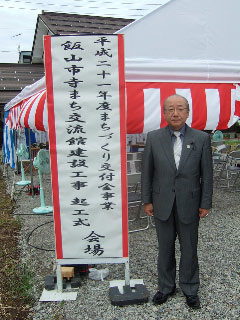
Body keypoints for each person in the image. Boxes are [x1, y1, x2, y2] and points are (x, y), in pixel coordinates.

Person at [141, 94, 213, 309]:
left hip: (190, 203)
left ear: (187, 112)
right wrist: (147, 200)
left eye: (180, 108)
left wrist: (205, 202)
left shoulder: (201, 138)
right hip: (161, 202)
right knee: (164, 248)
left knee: (190, 248)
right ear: (164, 113)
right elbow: (147, 172)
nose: (175, 113)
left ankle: (190, 289)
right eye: (170, 109)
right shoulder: (154, 138)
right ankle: (165, 287)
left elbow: (206, 175)